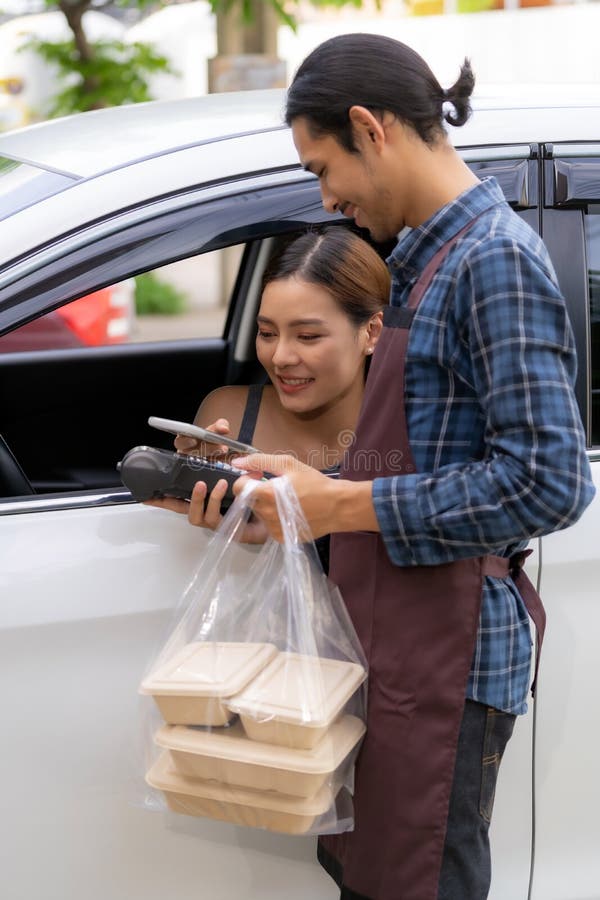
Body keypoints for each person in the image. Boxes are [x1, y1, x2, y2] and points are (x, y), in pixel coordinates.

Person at [223, 34, 596, 900]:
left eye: (323, 168)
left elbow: (549, 481)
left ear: (370, 128)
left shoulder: (490, 261)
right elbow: (427, 455)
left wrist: (343, 504)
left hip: (447, 656)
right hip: (395, 645)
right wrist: (300, 485)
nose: (328, 197)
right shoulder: (426, 262)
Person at [147, 226, 387, 544]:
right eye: (267, 333)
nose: (280, 357)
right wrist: (217, 499)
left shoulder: (417, 428)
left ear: (371, 333)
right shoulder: (229, 416)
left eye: (307, 336)